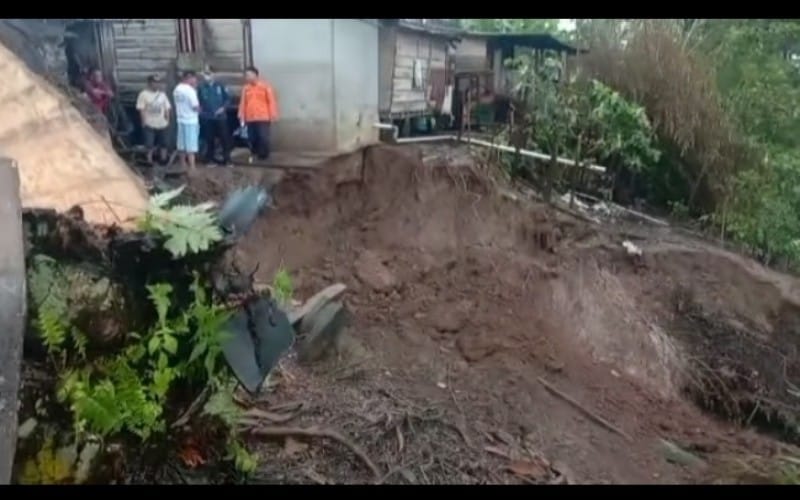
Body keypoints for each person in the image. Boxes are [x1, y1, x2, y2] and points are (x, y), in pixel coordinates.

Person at [238, 66, 279, 162]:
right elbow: (243, 102)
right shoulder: (246, 88)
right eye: (246, 75)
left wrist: (273, 114)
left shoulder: (265, 86)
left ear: (255, 75)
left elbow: (271, 101)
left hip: (263, 117)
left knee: (263, 137)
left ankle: (264, 155)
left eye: (248, 75)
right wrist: (241, 115)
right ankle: (255, 153)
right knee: (252, 137)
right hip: (250, 117)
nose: (247, 77)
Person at [198, 67, 233, 167]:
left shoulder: (220, 86)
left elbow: (228, 99)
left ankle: (227, 159)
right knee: (209, 139)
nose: (207, 76)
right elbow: (198, 101)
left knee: (224, 138)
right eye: (205, 74)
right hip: (207, 117)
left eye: (209, 74)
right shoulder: (201, 87)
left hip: (221, 117)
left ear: (214, 74)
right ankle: (210, 159)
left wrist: (223, 108)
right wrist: (201, 112)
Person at [136, 75, 171, 165]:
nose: (157, 85)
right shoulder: (143, 94)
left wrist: (167, 120)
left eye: (158, 83)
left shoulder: (162, 95)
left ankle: (163, 159)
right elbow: (141, 109)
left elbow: (166, 107)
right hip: (149, 122)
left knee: (164, 143)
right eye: (154, 82)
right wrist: (143, 122)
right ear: (149, 83)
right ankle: (149, 160)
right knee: (149, 143)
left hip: (161, 122)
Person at [173, 71, 201, 169]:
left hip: (180, 119)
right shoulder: (190, 90)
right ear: (189, 78)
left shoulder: (177, 89)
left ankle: (182, 164)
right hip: (191, 120)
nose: (195, 80)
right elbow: (195, 106)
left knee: (181, 144)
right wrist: (201, 110)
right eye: (194, 78)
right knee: (191, 145)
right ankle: (192, 166)